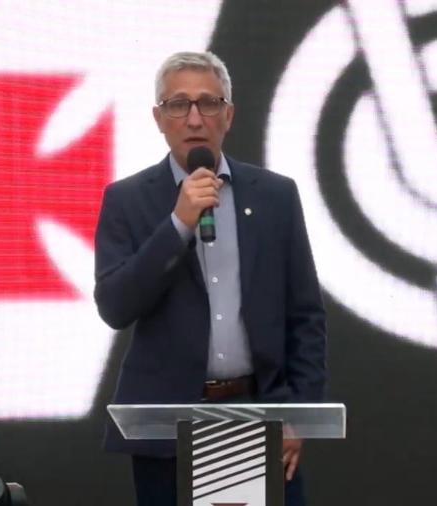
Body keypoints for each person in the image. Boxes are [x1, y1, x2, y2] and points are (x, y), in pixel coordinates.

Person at [94, 51, 326, 506]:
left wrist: (299, 413)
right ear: (159, 119)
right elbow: (115, 306)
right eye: (178, 104)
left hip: (256, 415)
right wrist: (178, 224)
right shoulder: (127, 199)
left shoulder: (275, 196)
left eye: (209, 103)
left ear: (229, 115)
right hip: (168, 425)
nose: (195, 118)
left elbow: (305, 315)